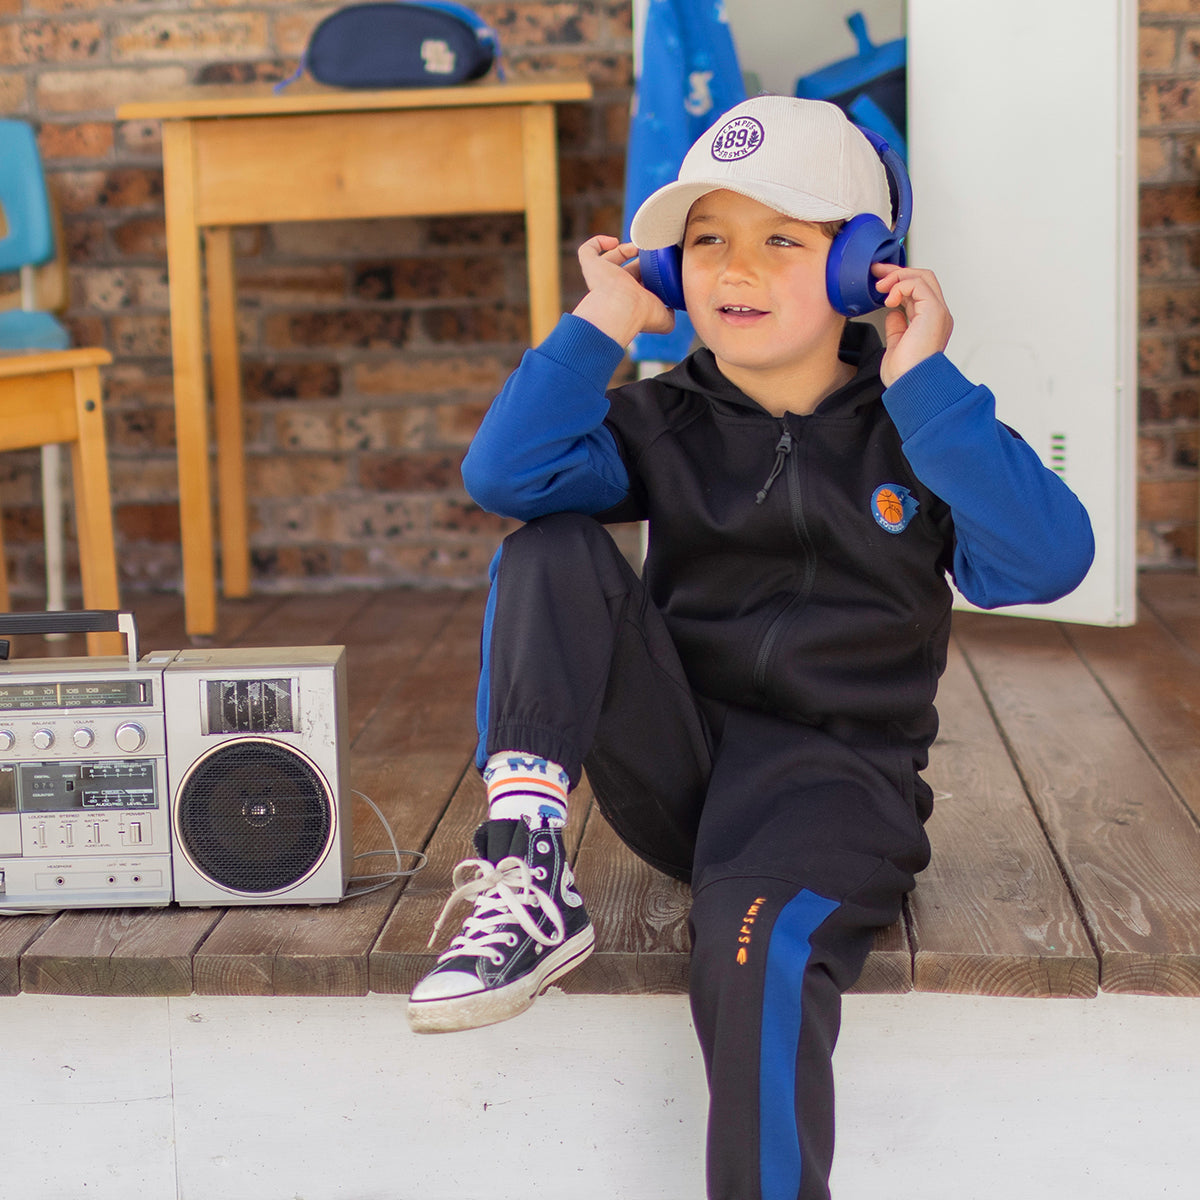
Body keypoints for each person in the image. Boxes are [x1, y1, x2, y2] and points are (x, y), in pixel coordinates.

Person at [406, 95, 1094, 1200]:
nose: (737, 266)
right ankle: (528, 863)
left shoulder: (921, 428)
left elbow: (1045, 561)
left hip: (835, 788)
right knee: (549, 542)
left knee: (753, 946)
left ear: (862, 270)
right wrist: (603, 318)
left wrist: (925, 381)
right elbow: (506, 474)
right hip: (681, 769)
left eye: (783, 240)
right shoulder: (661, 418)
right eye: (708, 241)